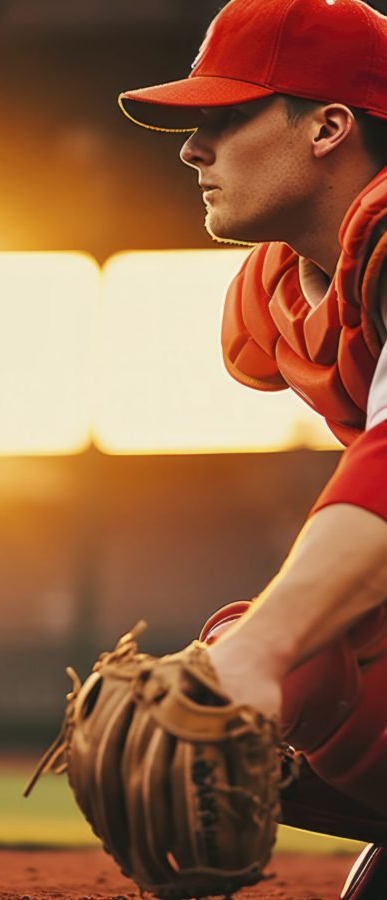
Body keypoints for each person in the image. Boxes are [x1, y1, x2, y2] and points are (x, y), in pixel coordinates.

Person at [118, 0, 387, 897]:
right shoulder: (289, 293)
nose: (194, 149)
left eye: (225, 118)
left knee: (295, 650)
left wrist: (270, 649)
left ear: (329, 126)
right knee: (252, 669)